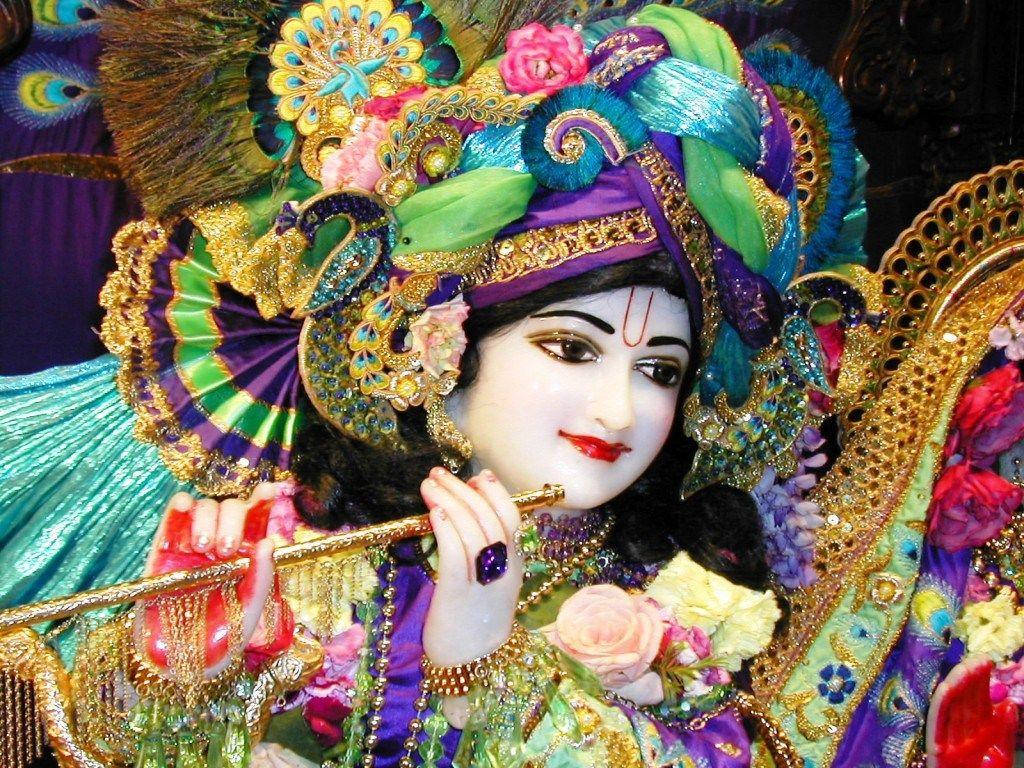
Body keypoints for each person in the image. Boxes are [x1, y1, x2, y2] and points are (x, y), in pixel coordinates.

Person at [0, 0, 885, 765]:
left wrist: (476, 666)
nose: (620, 408)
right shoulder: (315, 565)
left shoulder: (680, 607)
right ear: (444, 349)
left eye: (659, 370)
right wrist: (184, 680)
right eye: (571, 349)